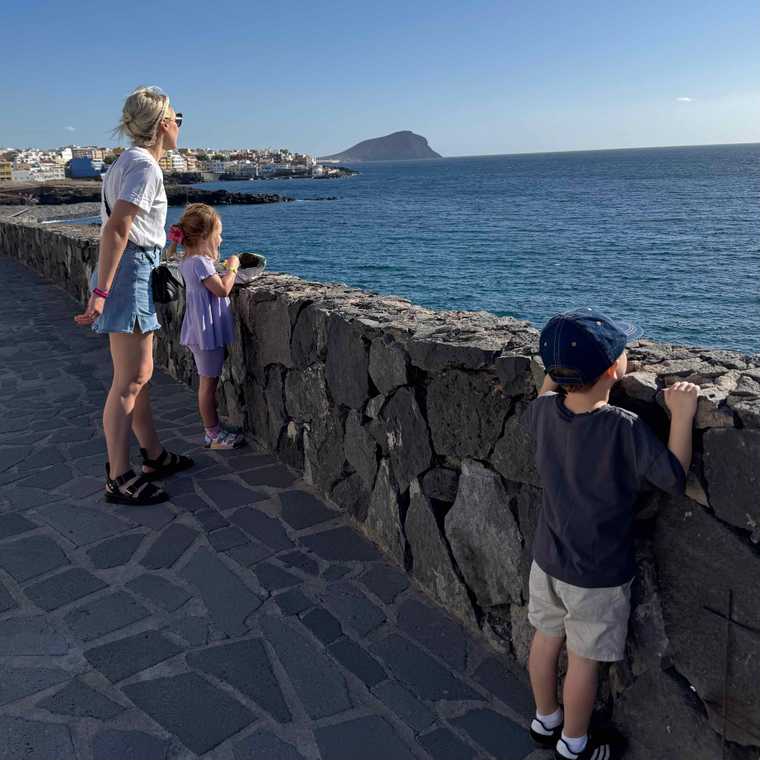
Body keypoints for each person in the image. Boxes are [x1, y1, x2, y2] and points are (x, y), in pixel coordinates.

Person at [522, 308, 699, 760]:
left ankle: (545, 719)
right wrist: (681, 413)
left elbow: (550, 389)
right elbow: (673, 477)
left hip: (548, 559)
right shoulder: (623, 427)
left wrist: (569, 375)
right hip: (596, 574)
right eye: (622, 353)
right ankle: (575, 744)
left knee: (545, 640)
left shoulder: (542, 411)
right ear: (611, 371)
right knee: (584, 660)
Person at [75, 86, 193, 505]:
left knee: (138, 376)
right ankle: (118, 476)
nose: (180, 125)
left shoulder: (124, 162)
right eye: (178, 118)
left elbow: (130, 229)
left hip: (135, 268)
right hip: (130, 272)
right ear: (163, 124)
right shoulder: (145, 167)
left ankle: (154, 456)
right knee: (129, 381)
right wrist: (102, 291)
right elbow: (119, 228)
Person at [167, 203, 246, 450]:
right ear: (204, 235)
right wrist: (233, 265)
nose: (221, 238)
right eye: (218, 233)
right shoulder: (199, 263)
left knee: (208, 383)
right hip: (205, 332)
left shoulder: (189, 261)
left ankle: (213, 431)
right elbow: (222, 290)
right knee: (208, 386)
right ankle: (212, 435)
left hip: (200, 329)